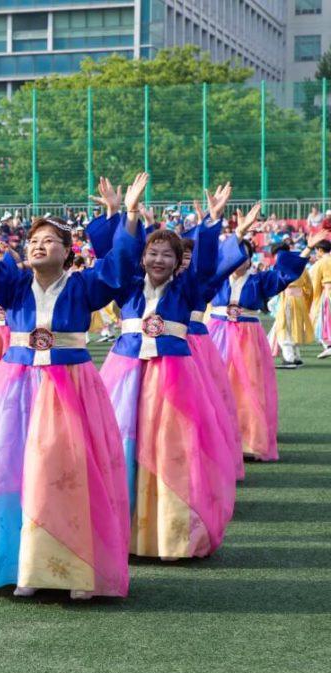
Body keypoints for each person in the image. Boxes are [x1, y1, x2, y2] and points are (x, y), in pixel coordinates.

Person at [0, 173, 145, 599]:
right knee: (10, 470)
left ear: (68, 252)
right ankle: (22, 564)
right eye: (33, 240)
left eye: (49, 240)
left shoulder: (84, 286)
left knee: (67, 472)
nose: (37, 245)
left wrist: (128, 215)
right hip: (16, 388)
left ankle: (76, 569)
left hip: (70, 387)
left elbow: (120, 267)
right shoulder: (12, 286)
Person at [99, 183, 241, 560]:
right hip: (126, 374)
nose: (159, 260)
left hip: (174, 378)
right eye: (153, 252)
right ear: (142, 257)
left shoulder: (189, 290)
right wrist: (126, 215)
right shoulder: (126, 287)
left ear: (179, 262)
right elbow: (114, 258)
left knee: (173, 451)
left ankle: (173, 535)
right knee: (124, 446)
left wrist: (211, 221)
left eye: (167, 254)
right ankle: (122, 534)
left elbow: (208, 264)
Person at [208, 235, 311, 462]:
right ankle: (215, 439)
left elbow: (285, 276)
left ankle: (248, 441)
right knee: (215, 384)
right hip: (217, 333)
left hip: (248, 337)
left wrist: (307, 249)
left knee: (248, 388)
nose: (238, 261)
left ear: (250, 258)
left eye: (243, 256)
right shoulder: (217, 278)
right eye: (233, 256)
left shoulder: (260, 280)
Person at [269, 242, 314, 368]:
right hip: (299, 300)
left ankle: (289, 358)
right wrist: (305, 301)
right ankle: (297, 356)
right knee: (295, 327)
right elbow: (309, 287)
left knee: (284, 328)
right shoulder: (302, 266)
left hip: (288, 299)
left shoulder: (281, 265)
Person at [308, 240, 331, 359]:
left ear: (320, 250)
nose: (316, 253)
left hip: (327, 293)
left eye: (316, 250)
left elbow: (314, 281)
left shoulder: (321, 263)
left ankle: (328, 346)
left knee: (323, 321)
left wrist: (314, 297)